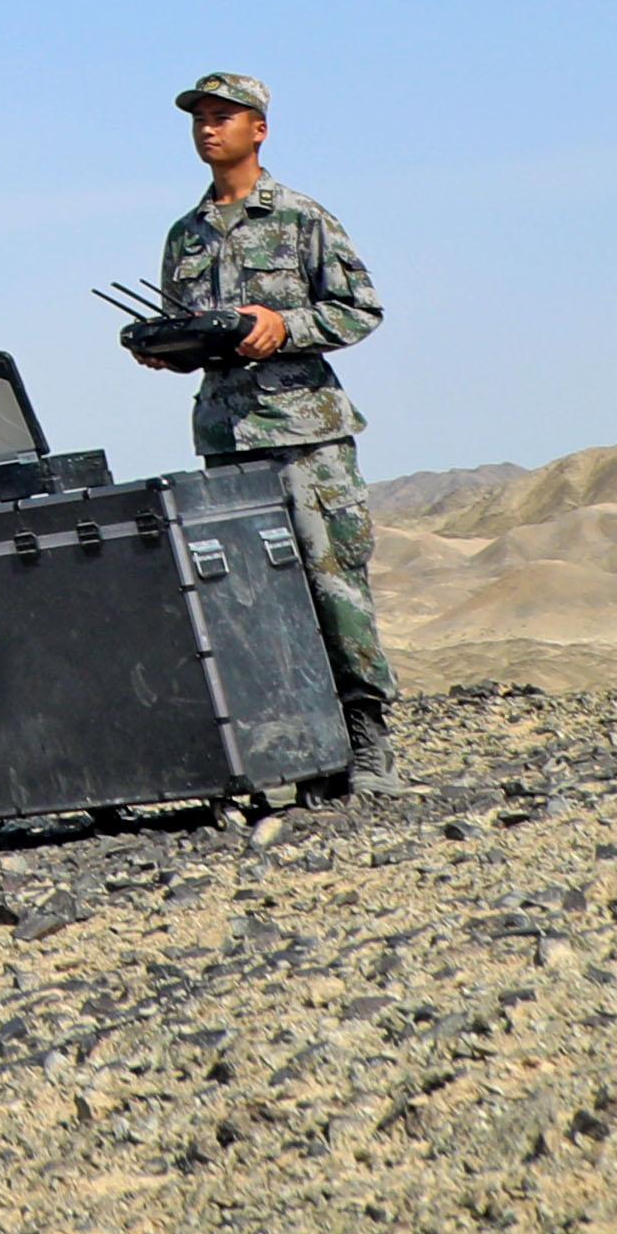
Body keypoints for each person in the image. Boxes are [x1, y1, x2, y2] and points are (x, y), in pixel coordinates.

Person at [153, 72, 405, 792]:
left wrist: (285, 325)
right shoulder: (185, 235)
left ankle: (366, 742)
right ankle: (296, 750)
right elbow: (190, 328)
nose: (208, 128)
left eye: (223, 116)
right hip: (227, 439)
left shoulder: (300, 218)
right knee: (249, 601)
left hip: (304, 434)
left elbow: (360, 309)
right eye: (199, 118)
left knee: (332, 586)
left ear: (258, 130)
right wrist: (169, 350)